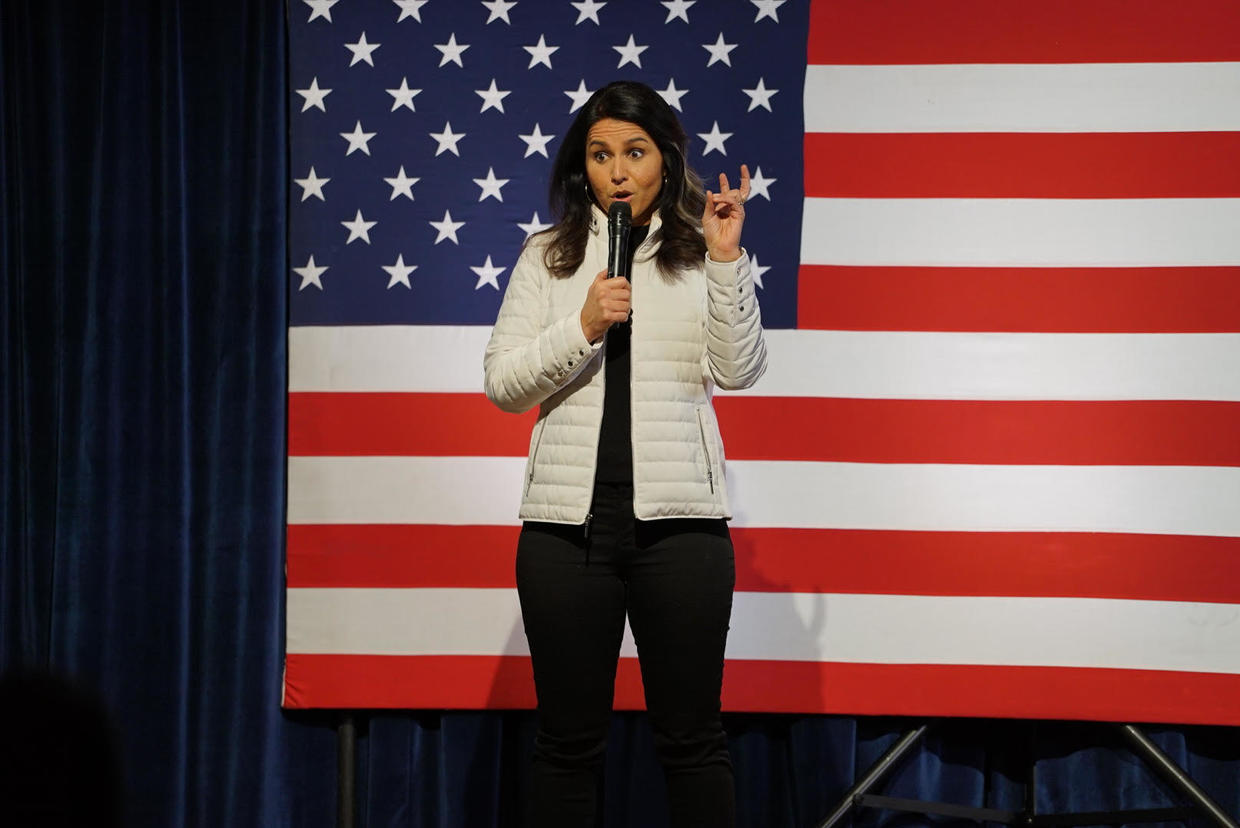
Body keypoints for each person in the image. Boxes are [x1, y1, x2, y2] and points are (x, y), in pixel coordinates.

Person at [483, 80, 767, 828]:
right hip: (565, 533)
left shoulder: (702, 256)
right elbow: (503, 386)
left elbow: (738, 372)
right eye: (601, 153)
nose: (617, 170)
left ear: (664, 165)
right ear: (584, 167)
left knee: (693, 742)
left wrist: (728, 260)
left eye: (634, 153)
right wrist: (579, 325)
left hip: (680, 531)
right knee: (567, 746)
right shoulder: (547, 257)